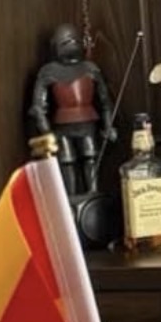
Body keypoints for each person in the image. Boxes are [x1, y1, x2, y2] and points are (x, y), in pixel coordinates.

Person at [27, 23, 117, 198]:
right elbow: (38, 107)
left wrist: (108, 125)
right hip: (62, 126)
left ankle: (93, 198)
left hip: (87, 123)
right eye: (66, 41)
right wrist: (46, 132)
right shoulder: (48, 71)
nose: (71, 44)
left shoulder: (90, 68)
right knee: (67, 162)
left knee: (91, 158)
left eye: (73, 40)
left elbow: (105, 101)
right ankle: (71, 201)